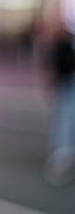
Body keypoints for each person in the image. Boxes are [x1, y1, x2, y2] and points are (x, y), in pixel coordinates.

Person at [43, 23, 75, 185]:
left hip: (67, 87)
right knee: (64, 121)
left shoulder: (63, 47)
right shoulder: (62, 46)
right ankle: (63, 157)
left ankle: (62, 159)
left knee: (64, 123)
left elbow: (54, 71)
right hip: (66, 86)